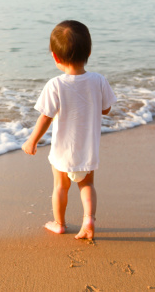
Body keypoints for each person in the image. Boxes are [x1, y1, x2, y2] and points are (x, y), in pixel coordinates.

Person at [22, 20, 117, 240]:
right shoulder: (99, 80)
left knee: (60, 187)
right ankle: (89, 219)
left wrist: (32, 141)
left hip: (62, 151)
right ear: (90, 52)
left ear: (55, 57)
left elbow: (45, 117)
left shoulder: (55, 85)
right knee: (87, 185)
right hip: (88, 149)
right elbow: (106, 109)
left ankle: (59, 223)